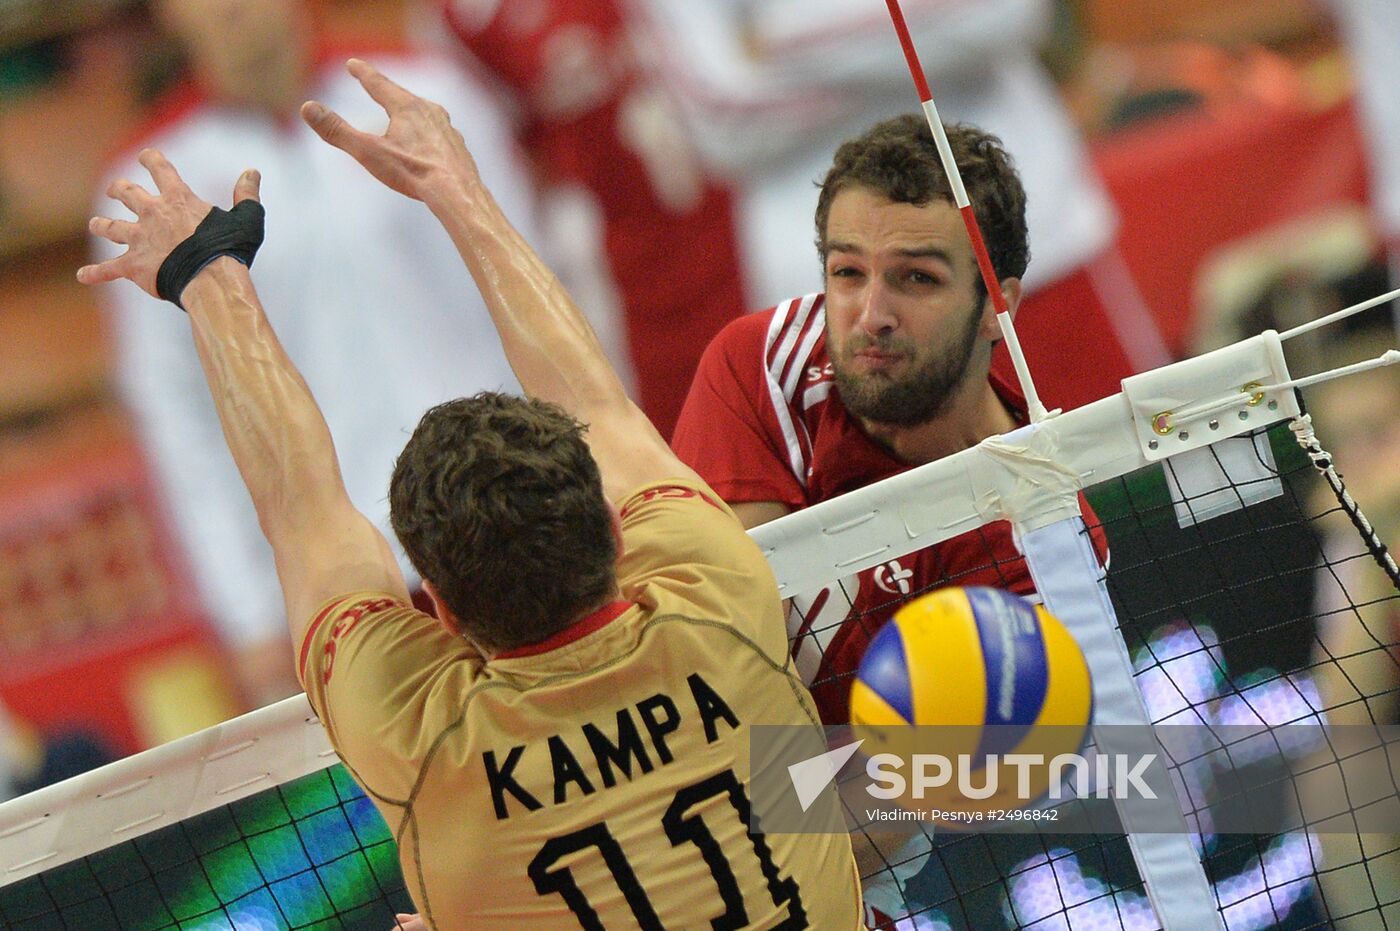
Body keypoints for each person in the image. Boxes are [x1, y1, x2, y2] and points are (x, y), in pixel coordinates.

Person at [80, 58, 862, 931]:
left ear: (440, 607)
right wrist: (457, 188)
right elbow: (595, 403)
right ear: (611, 526)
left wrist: (209, 278)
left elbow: (302, 511)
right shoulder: (717, 594)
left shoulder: (421, 740)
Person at [92, 0, 536, 706]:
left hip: (508, 518)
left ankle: (784, 804)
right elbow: (176, 419)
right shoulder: (150, 191)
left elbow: (527, 282)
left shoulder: (427, 97)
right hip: (341, 581)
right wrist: (247, 614)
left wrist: (584, 466)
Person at [674, 114, 1108, 724]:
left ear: (996, 308)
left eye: (917, 278)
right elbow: (727, 652)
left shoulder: (1042, 544)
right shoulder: (767, 364)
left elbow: (907, 794)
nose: (871, 314)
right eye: (847, 272)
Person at [635, 0, 1171, 412]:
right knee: (939, 547)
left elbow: (1009, 10)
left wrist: (776, 42)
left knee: (1157, 514)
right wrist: (919, 52)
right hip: (841, 317)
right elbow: (721, 116)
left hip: (1030, 257)